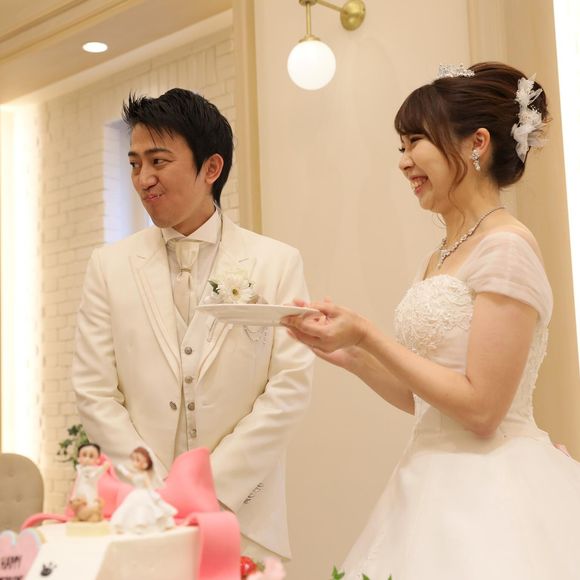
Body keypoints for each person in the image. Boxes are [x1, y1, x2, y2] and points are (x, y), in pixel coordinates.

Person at [283, 62, 580, 579]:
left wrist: (368, 334)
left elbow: (482, 410)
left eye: (415, 142)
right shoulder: (442, 253)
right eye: (401, 146)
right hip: (425, 478)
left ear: (477, 143)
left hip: (490, 491)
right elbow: (424, 399)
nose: (403, 162)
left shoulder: (506, 247)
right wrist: (351, 354)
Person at [72, 88, 314, 560]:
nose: (143, 178)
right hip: (144, 518)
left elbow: (289, 386)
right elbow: (94, 390)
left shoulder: (275, 263)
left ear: (211, 168)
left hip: (245, 518)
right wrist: (154, 487)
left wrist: (209, 488)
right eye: (134, 164)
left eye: (158, 161)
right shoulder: (109, 266)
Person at [111, 446, 177, 534]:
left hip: (144, 493)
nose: (134, 462)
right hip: (136, 493)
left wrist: (152, 494)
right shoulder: (137, 474)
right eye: (133, 459)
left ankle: (143, 525)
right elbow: (130, 476)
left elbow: (148, 485)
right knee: (130, 507)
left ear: (145, 463)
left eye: (137, 460)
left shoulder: (145, 475)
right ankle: (132, 525)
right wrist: (122, 469)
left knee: (145, 509)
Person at [70, 442, 108, 522]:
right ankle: (80, 515)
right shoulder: (80, 470)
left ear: (97, 460)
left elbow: (93, 477)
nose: (87, 458)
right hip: (80, 495)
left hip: (89, 494)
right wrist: (73, 497)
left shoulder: (94, 471)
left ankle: (92, 515)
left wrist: (103, 468)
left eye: (91, 456)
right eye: (84, 455)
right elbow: (77, 484)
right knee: (79, 507)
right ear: (78, 458)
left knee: (91, 506)